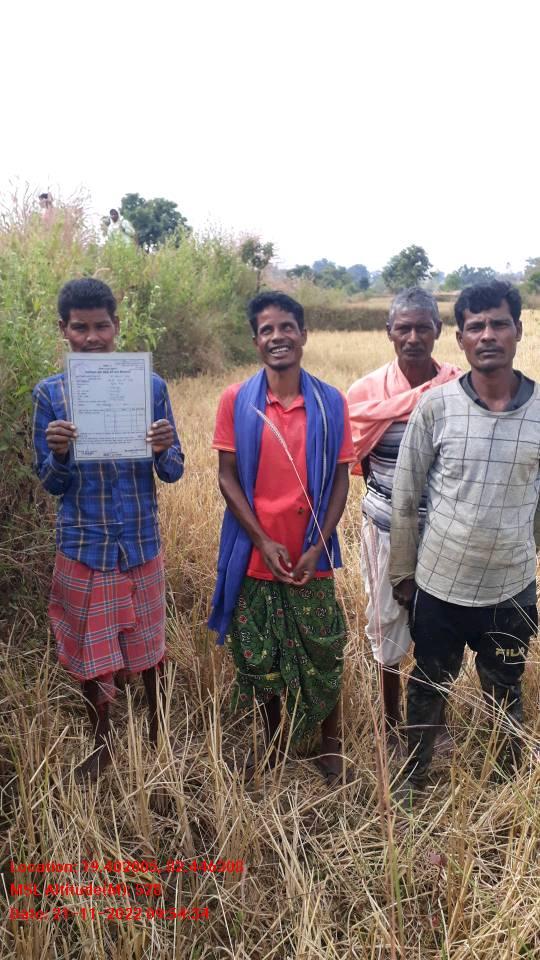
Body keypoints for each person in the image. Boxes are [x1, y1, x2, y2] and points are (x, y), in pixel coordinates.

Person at [389, 280, 540, 800]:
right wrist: (403, 574)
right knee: (428, 685)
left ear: (519, 330)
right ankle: (412, 780)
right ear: (460, 339)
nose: (488, 335)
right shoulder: (436, 408)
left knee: (505, 687)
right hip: (440, 586)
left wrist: (532, 566)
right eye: (476, 326)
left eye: (499, 323)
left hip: (510, 588)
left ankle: (505, 786)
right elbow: (405, 496)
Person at [32, 278, 184, 782]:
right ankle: (102, 740)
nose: (92, 337)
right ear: (64, 329)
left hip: (139, 541)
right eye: (81, 327)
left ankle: (157, 732)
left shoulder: (150, 387)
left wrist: (163, 447)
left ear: (117, 326)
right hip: (84, 543)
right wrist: (58, 453)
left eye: (101, 326)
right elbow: (51, 483)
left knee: (150, 645)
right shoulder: (50, 395)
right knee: (91, 652)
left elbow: (173, 471)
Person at [209, 291, 356, 784]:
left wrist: (318, 545)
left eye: (287, 327)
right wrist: (261, 540)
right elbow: (227, 477)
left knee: (323, 649)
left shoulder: (330, 402)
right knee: (261, 656)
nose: (278, 337)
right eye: (267, 330)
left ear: (303, 334)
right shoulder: (236, 401)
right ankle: (274, 743)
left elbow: (340, 481)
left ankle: (330, 745)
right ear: (256, 341)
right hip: (254, 555)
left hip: (311, 554)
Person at [347, 289, 461, 746]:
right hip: (383, 529)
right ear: (389, 333)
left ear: (438, 331)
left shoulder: (457, 390)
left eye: (422, 328)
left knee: (440, 627)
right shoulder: (365, 392)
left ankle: (433, 721)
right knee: (386, 624)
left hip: (444, 533)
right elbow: (360, 459)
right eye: (403, 328)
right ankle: (393, 722)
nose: (413, 337)